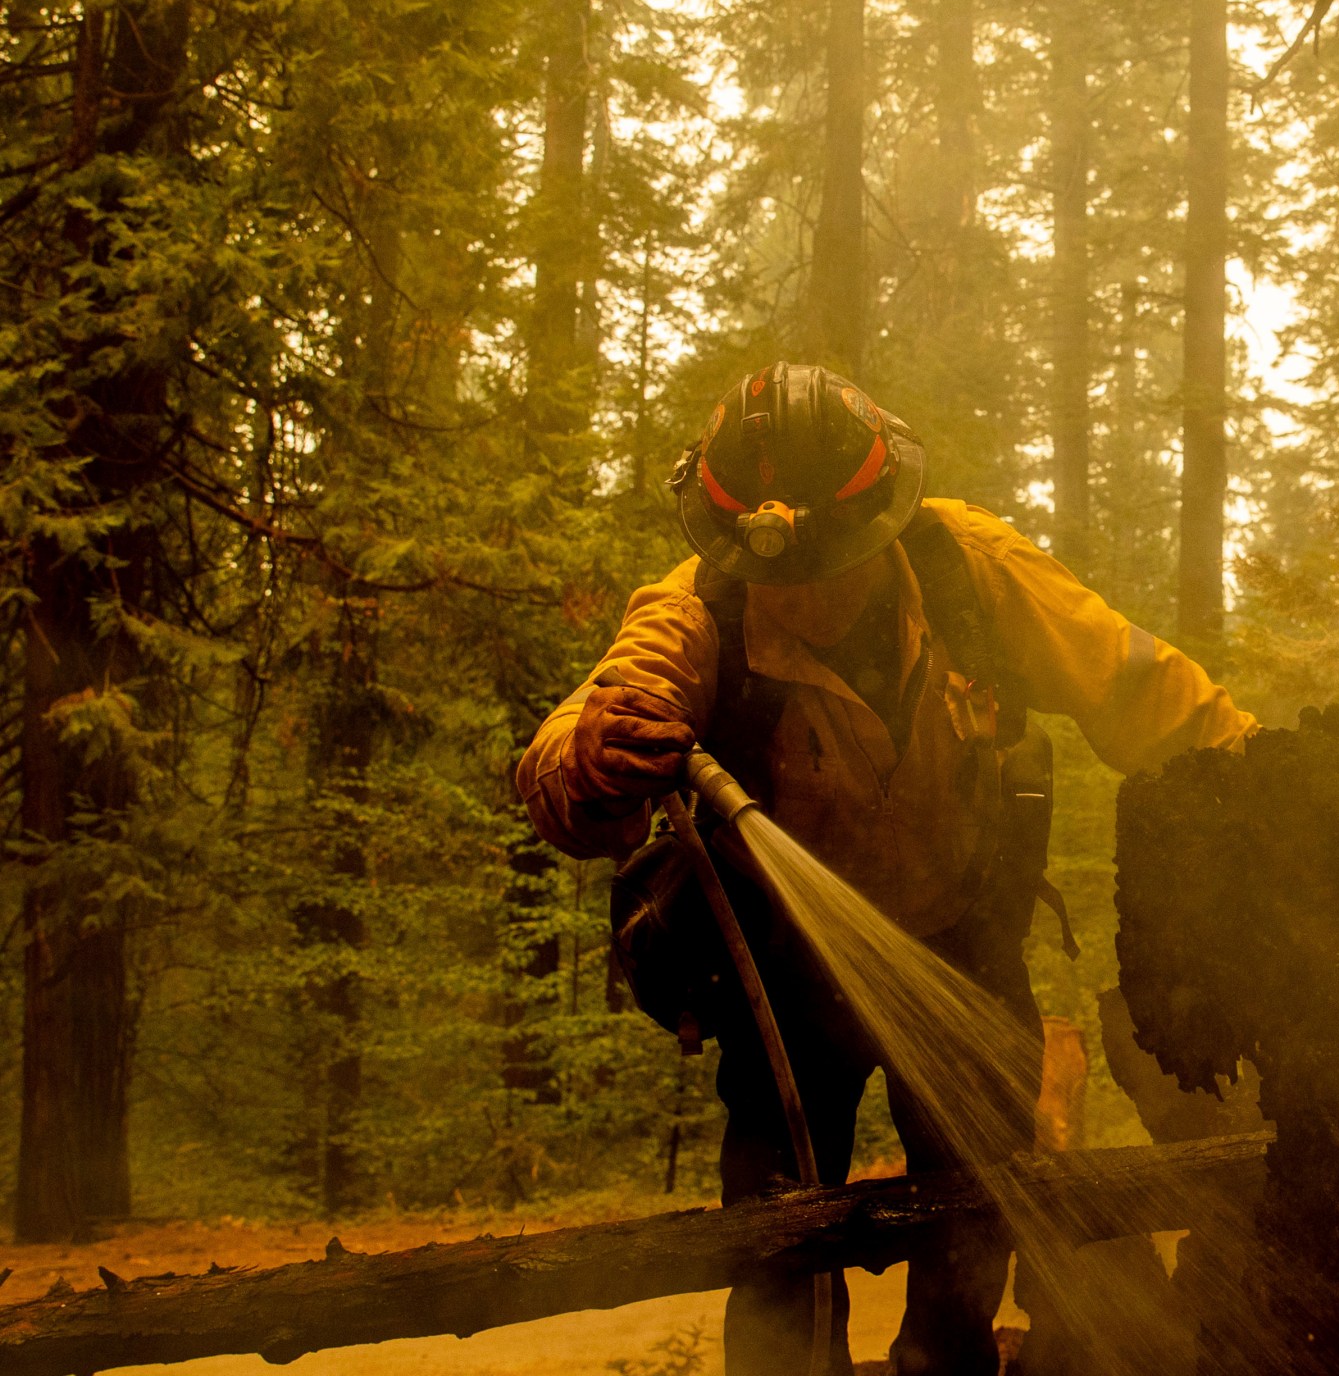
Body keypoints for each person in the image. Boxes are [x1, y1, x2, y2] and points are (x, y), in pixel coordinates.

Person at [515, 363, 1254, 1376]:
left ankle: (942, 1364)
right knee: (780, 1245)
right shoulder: (694, 611)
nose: (808, 592)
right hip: (783, 983)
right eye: (783, 569)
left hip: (962, 952)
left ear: (883, 516)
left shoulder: (970, 570)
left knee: (974, 1213)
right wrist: (594, 756)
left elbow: (1137, 686)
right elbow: (571, 740)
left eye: (834, 560)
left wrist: (1275, 780)